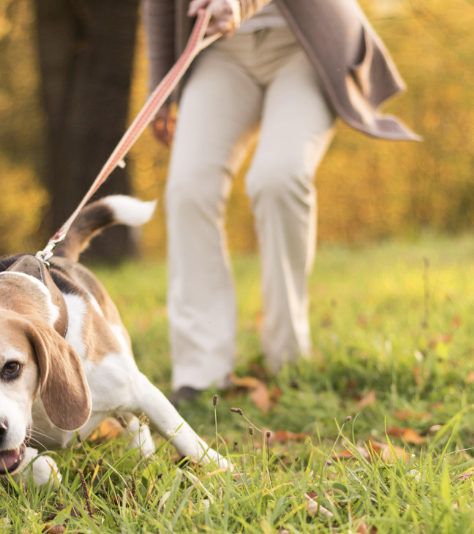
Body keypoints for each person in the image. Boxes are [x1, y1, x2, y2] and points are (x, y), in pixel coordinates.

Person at [143, 0, 418, 405]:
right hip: (219, 51)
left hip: (305, 44)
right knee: (188, 188)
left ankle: (287, 355)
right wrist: (161, 85)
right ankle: (200, 371)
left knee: (279, 177)